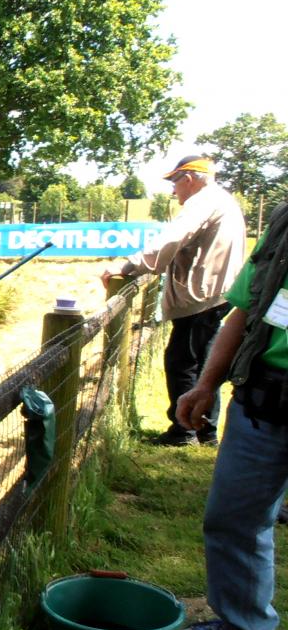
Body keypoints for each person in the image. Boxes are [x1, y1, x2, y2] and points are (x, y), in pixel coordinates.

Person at [172, 201, 288, 630]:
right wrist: (205, 386)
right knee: (233, 518)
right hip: (263, 402)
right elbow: (241, 314)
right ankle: (244, 627)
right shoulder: (282, 229)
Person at [101, 155, 245, 446]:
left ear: (189, 178)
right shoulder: (223, 200)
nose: (172, 191)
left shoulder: (202, 202)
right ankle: (205, 431)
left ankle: (184, 431)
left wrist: (130, 265)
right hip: (216, 293)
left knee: (183, 363)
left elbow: (172, 238)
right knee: (203, 362)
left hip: (201, 296)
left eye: (174, 182)